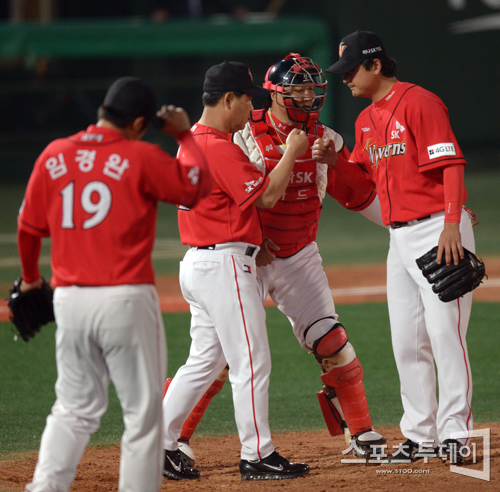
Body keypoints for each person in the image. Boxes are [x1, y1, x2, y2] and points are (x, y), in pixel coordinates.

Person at [166, 53, 387, 467]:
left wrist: (339, 164)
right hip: (243, 258)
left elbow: (359, 193)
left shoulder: (326, 139)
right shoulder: (233, 137)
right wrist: (256, 234)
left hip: (295, 253)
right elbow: (258, 197)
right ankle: (229, 449)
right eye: (298, 89)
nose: (307, 96)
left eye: (312, 89)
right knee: (232, 359)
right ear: (272, 95)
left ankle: (360, 432)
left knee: (329, 341)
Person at [20, 76, 212, 492]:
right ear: (140, 123)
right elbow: (194, 189)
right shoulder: (141, 156)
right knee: (143, 417)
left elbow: (28, 227)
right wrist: (184, 135)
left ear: (103, 111)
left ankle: (45, 487)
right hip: (125, 300)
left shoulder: (54, 154)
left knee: (73, 409)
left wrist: (32, 279)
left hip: (69, 301)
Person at [313, 30, 476, 463]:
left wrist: (452, 224)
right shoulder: (365, 121)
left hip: (438, 231)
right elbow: (362, 183)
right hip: (398, 238)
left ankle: (456, 433)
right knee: (407, 340)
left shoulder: (420, 102)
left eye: (352, 69)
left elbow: (451, 164)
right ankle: (421, 435)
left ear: (375, 65)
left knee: (445, 335)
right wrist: (335, 163)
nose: (346, 78)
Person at [162, 61, 312, 481]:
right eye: (247, 99)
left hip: (201, 261)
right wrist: (292, 152)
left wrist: (252, 239)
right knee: (251, 360)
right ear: (228, 99)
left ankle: (157, 443)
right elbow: (267, 197)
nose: (252, 107)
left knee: (203, 362)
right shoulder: (216, 146)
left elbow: (220, 204)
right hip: (223, 265)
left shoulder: (190, 142)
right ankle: (257, 454)